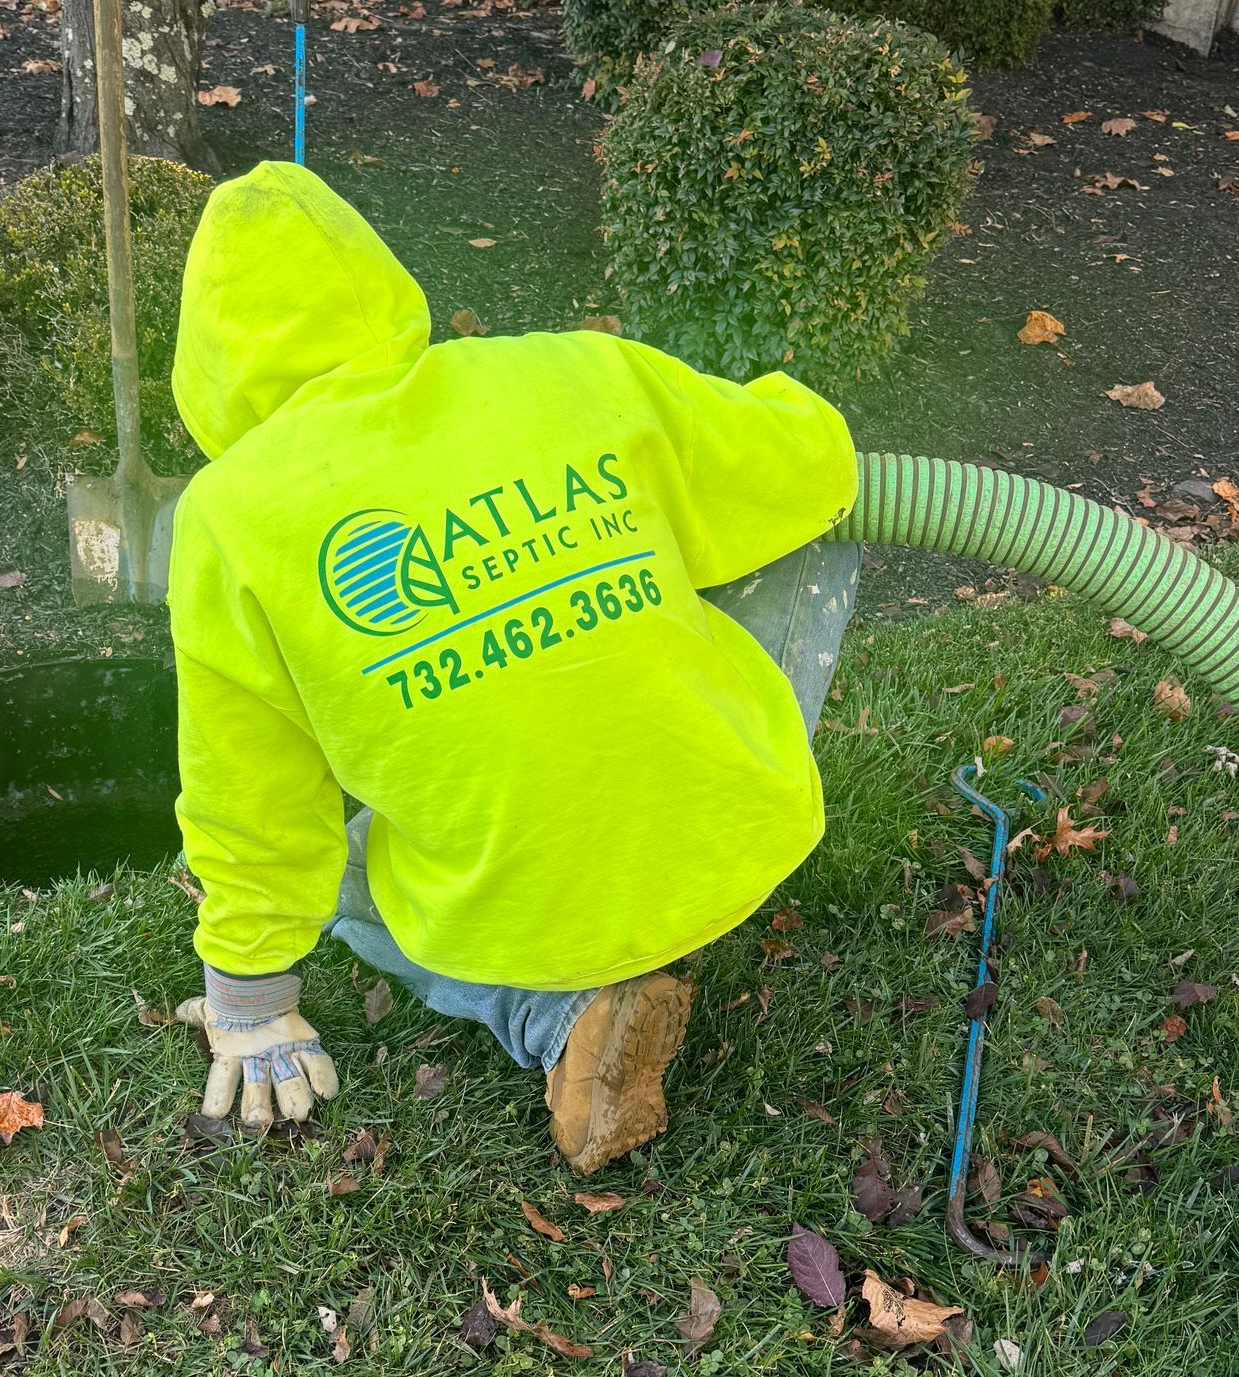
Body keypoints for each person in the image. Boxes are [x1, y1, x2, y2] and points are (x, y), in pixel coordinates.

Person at [168, 161, 858, 1175]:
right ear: (380, 282)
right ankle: (681, 799)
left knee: (351, 881)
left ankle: (562, 1017)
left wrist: (250, 997)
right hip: (736, 823)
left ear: (204, 363)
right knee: (810, 527)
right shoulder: (570, 369)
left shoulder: (230, 520)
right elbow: (812, 464)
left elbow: (254, 797)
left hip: (511, 895)